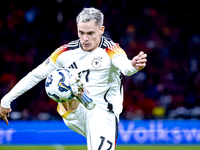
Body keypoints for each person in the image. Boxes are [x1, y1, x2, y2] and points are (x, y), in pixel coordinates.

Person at [0, 7, 147, 149]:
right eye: (81, 32)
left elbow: (125, 67)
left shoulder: (110, 49)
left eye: (90, 33)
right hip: (75, 110)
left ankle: (80, 92)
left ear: (101, 30)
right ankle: (80, 93)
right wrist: (5, 100)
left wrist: (133, 65)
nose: (85, 38)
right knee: (59, 79)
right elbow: (35, 75)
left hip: (103, 114)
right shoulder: (65, 52)